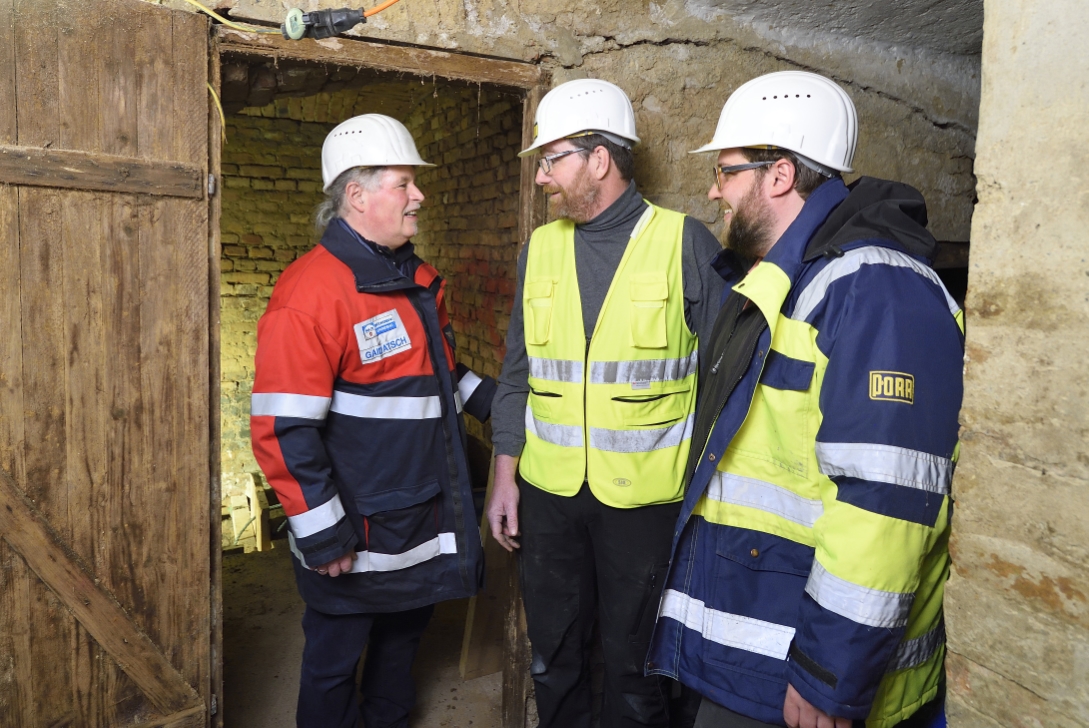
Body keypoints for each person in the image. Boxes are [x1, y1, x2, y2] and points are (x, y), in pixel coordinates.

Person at [645, 71, 963, 728]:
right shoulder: (787, 282)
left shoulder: (875, 291)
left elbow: (885, 502)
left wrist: (829, 675)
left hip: (806, 674)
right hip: (757, 646)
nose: (713, 190)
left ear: (779, 175)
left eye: (726, 172)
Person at [486, 78, 725, 728]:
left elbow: (728, 383)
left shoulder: (685, 245)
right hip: (549, 493)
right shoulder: (539, 251)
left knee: (634, 665)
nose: (540, 177)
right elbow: (517, 375)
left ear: (599, 159)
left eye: (552, 158)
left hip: (645, 504)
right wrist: (504, 476)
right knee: (554, 655)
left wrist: (710, 501)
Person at [250, 113, 496, 728]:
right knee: (334, 664)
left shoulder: (413, 280)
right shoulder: (310, 295)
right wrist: (324, 534)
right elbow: (283, 429)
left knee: (402, 644)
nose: (420, 196)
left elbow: (436, 375)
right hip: (355, 529)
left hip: (416, 516)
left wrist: (501, 403)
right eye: (404, 183)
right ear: (356, 196)